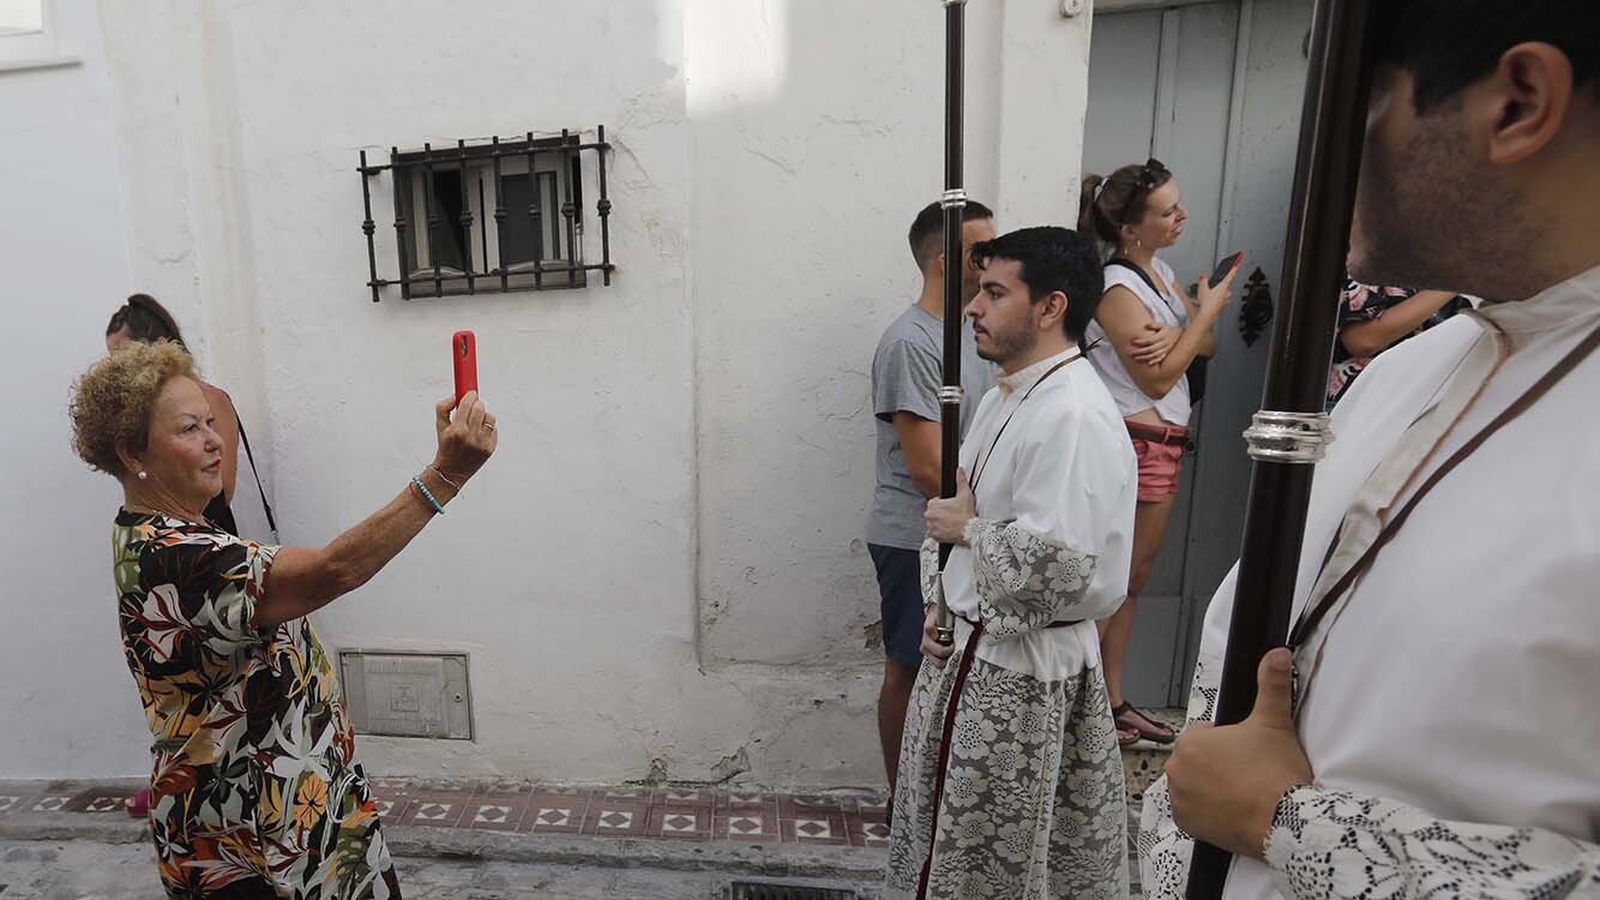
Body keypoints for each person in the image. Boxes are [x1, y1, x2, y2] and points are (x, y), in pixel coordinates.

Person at [1139, 2, 1600, 897]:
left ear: (1519, 103)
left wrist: (1287, 823)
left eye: (1358, 103)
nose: (1315, 155)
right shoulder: (1415, 366)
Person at [69, 340, 497, 897]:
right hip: (252, 843)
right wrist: (445, 475)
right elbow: (335, 569)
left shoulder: (159, 533)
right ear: (132, 453)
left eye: (210, 422)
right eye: (189, 430)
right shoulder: (176, 558)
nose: (214, 440)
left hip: (299, 817)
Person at [885, 226, 1138, 899]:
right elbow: (966, 519)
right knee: (943, 851)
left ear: (1051, 307)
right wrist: (941, 606)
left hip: (1021, 676)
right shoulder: (1007, 394)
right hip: (967, 655)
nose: (973, 307)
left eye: (995, 292)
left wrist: (969, 531)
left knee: (995, 870)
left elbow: (1056, 572)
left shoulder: (1073, 416)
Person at [1077, 159, 1237, 746]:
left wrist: (1190, 326)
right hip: (1138, 443)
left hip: (1160, 443)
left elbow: (1206, 348)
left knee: (1131, 581)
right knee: (1114, 581)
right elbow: (1159, 379)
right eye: (1167, 211)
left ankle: (1108, 702)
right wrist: (1205, 316)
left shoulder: (1161, 273)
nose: (1182, 216)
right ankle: (1081, 702)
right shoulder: (1118, 289)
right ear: (1129, 230)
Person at [867, 200, 998, 799]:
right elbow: (928, 468)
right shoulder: (911, 344)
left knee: (947, 670)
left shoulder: (973, 336)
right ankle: (905, 803)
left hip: (962, 529)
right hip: (913, 534)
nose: (995, 258)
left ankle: (935, 799)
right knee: (911, 665)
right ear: (949, 261)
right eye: (984, 249)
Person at [105, 293, 273, 540]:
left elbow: (222, 489)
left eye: (125, 355)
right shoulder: (141, 411)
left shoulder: (211, 398)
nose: (119, 368)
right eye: (113, 359)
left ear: (156, 346)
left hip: (203, 536)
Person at [1326, 277, 1472, 407]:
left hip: (1419, 400)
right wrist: (1456, 279)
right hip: (1359, 406)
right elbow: (1363, 340)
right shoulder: (1371, 257)